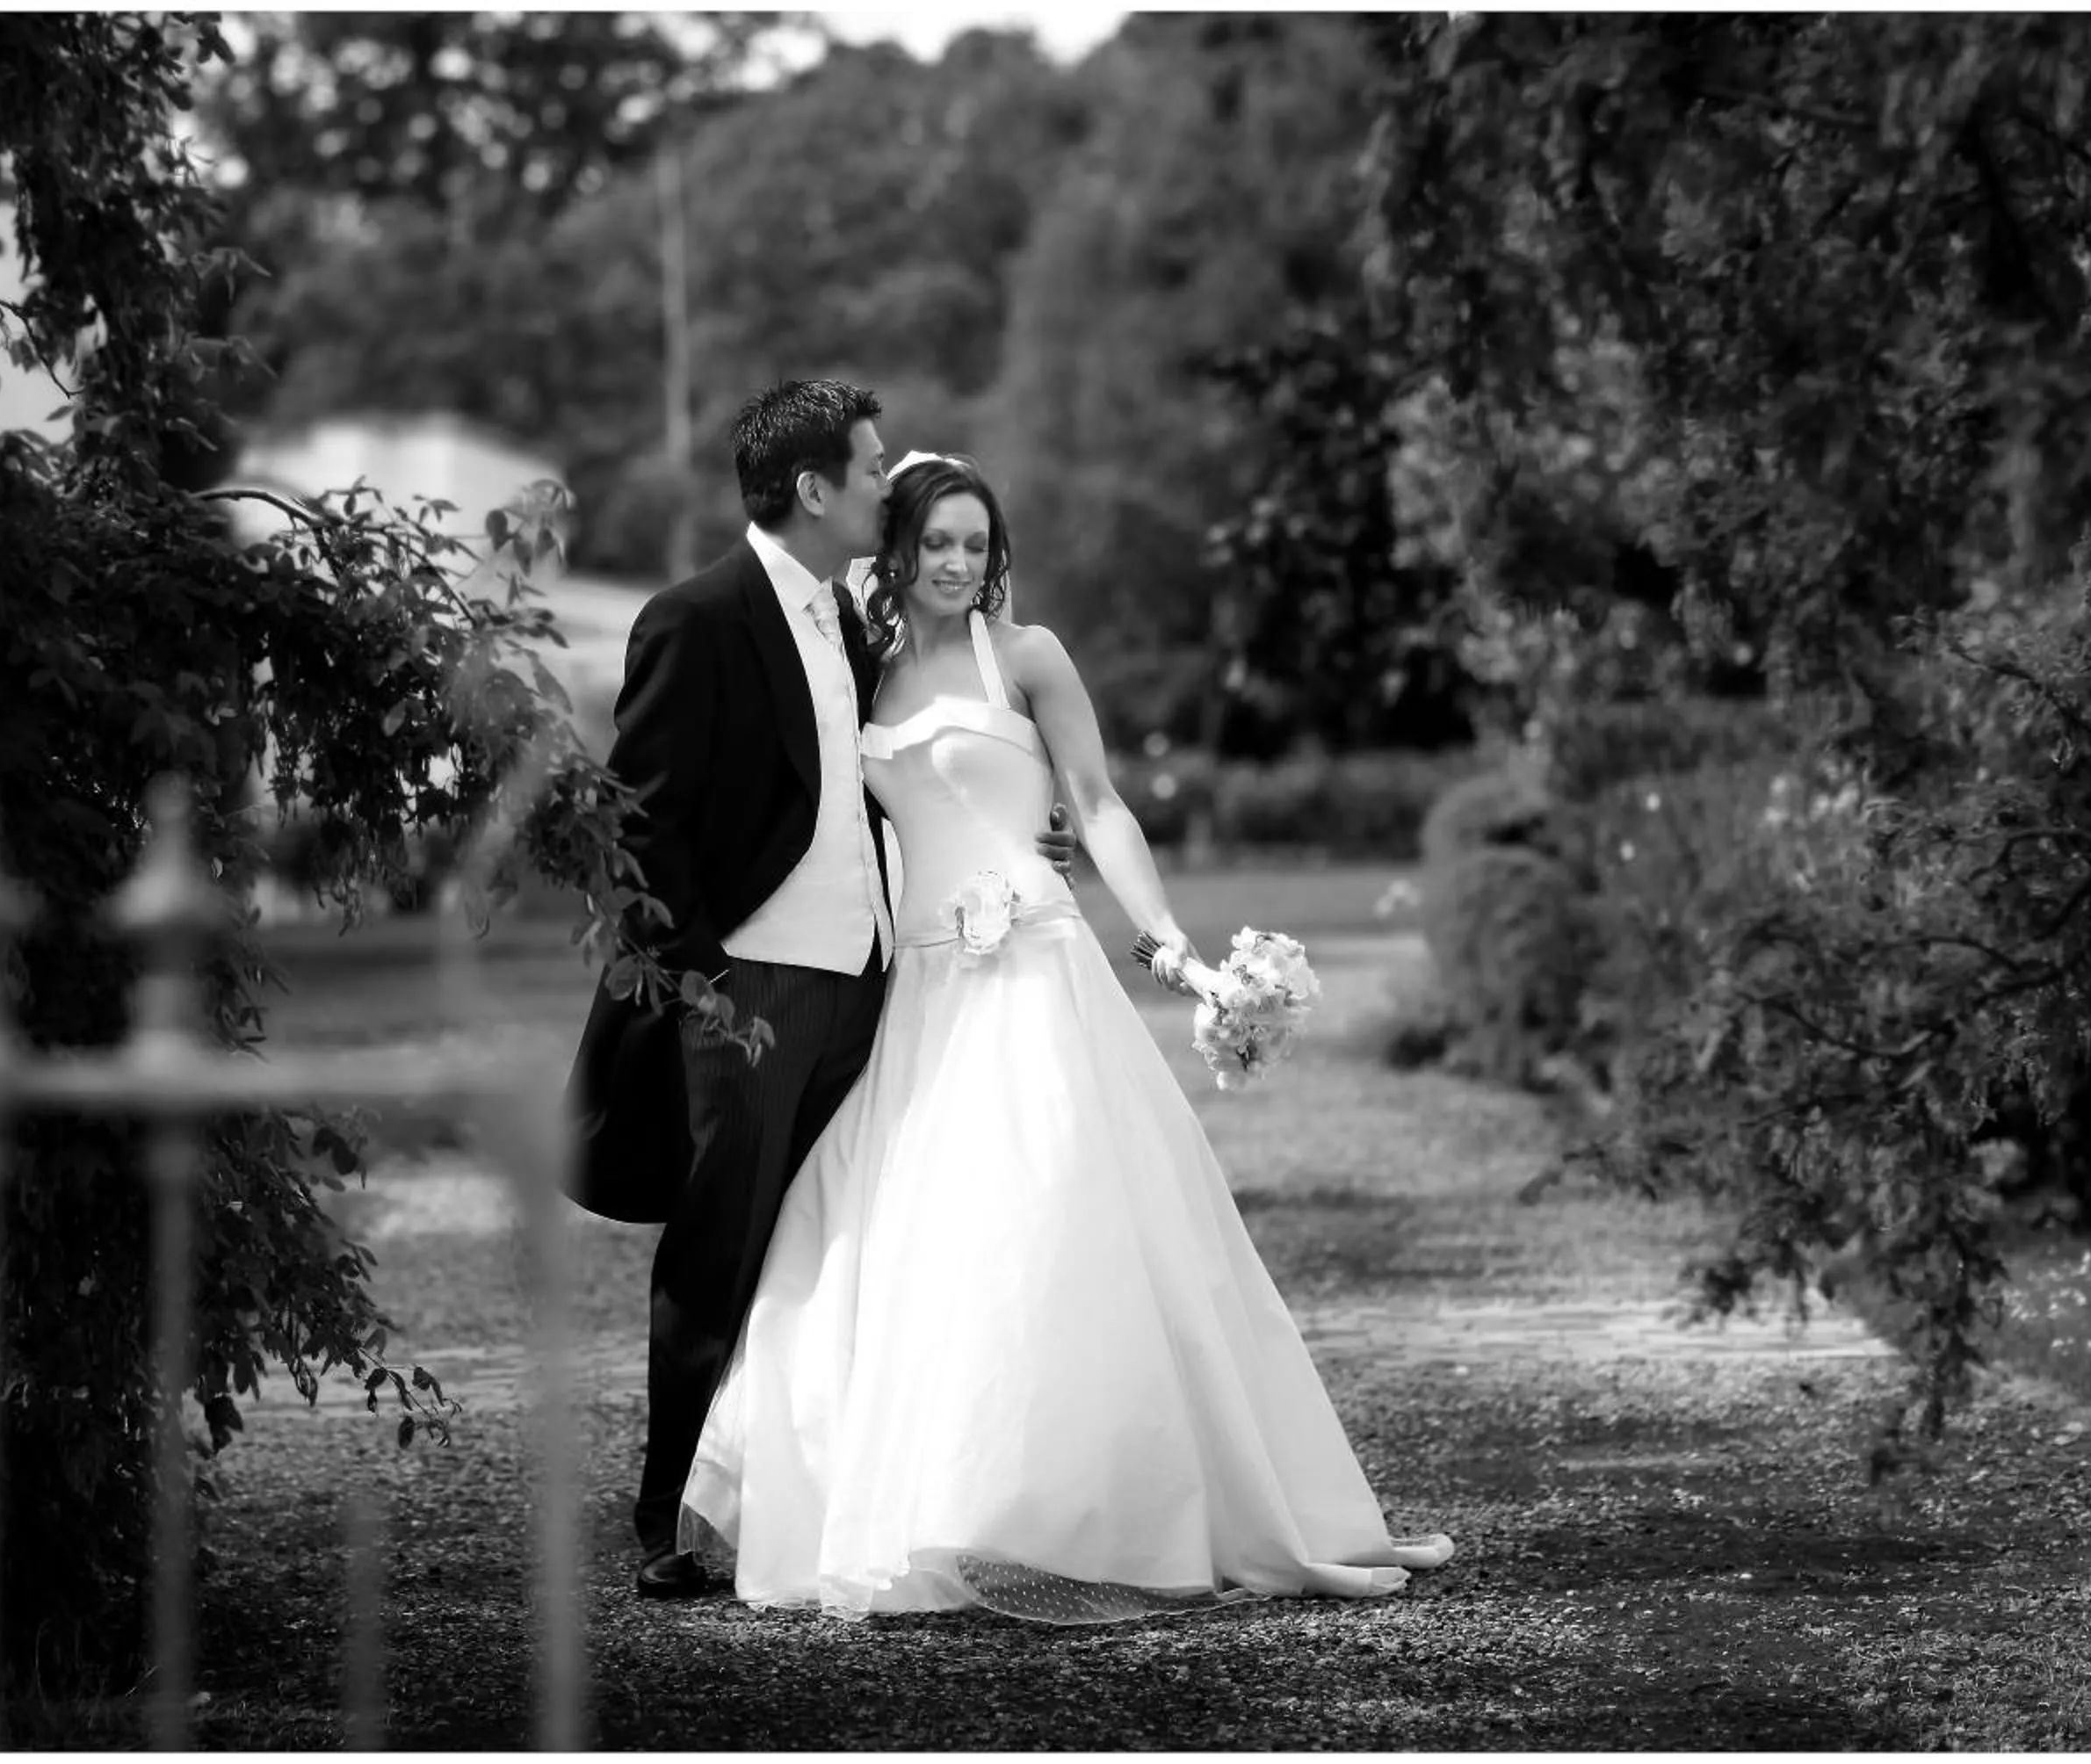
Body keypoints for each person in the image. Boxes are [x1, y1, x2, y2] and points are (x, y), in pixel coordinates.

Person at [675, 452, 1455, 1621]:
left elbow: (1096, 807)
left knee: (1053, 1214)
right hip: (929, 993)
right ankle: (945, 1502)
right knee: (901, 1234)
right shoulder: (863, 671)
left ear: (997, 559)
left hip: (1037, 971)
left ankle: (1111, 1504)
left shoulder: (1028, 657)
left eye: (975, 545)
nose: (956, 564)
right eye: (936, 542)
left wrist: (1169, 952)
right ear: (898, 549)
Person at [562, 386, 1075, 1600]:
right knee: (721, 1249)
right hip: (747, 995)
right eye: (868, 468)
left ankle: (816, 1495)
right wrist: (701, 989)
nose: (885, 482)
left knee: (836, 1249)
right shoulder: (696, 618)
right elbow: (637, 829)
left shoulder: (855, 628)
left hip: (868, 990)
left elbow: (889, 777)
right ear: (813, 490)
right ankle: (664, 1517)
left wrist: (1018, 835)